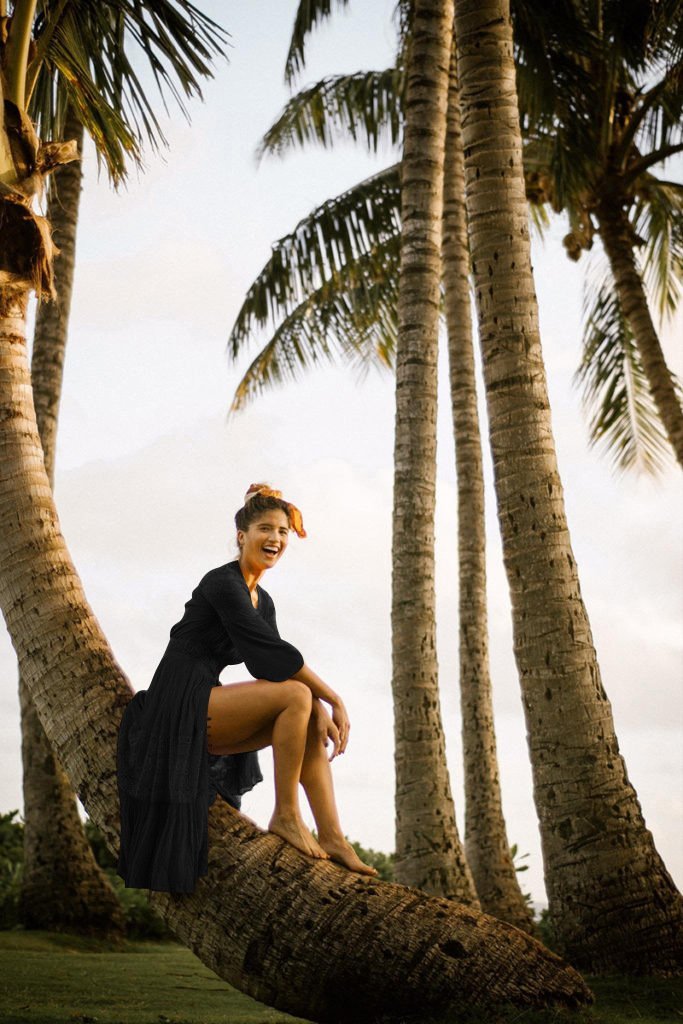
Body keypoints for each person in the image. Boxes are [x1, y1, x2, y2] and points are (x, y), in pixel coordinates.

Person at [116, 482, 377, 893]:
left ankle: (332, 834)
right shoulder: (222, 583)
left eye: (283, 532)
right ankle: (286, 814)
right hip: (178, 701)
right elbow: (269, 653)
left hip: (207, 704)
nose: (275, 538)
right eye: (265, 529)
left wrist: (321, 711)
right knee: (299, 697)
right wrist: (333, 697)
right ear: (242, 536)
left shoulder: (264, 600)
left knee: (304, 708)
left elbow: (274, 664)